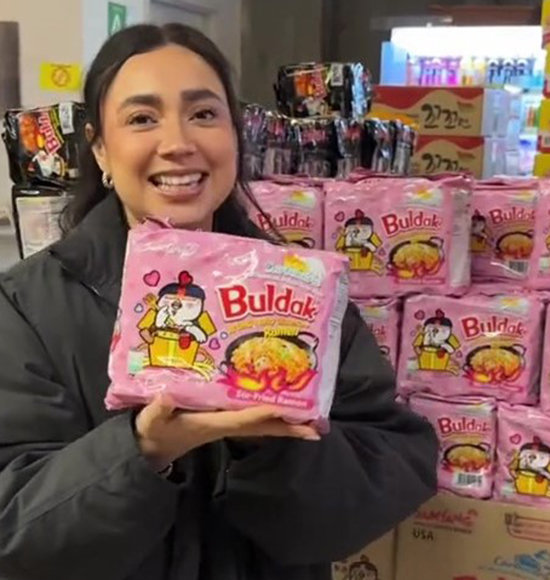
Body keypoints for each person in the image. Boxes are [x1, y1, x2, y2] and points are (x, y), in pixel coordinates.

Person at [0, 23, 437, 580]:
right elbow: (16, 533)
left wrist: (267, 447)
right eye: (142, 118)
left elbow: (386, 474)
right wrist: (143, 450)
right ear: (101, 149)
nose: (178, 142)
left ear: (236, 135)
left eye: (204, 114)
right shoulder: (26, 308)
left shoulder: (302, 293)